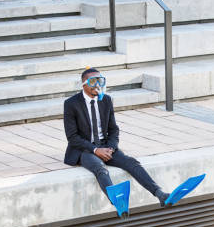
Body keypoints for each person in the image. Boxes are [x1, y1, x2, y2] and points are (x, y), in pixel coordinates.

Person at [63, 67, 169, 207]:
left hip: (106, 145)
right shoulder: (71, 104)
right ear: (84, 84)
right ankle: (118, 203)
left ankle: (159, 193)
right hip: (85, 149)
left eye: (100, 81)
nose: (98, 85)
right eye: (94, 81)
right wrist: (95, 150)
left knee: (132, 163)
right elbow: (72, 137)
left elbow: (114, 130)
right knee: (100, 168)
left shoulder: (106, 100)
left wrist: (111, 148)